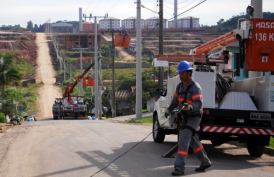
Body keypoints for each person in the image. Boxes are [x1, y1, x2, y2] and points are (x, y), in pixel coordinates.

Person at [165, 61, 211, 176]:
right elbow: (175, 101)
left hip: (194, 117)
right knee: (193, 140)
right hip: (184, 118)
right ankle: (205, 162)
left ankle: (179, 168)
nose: (180, 75)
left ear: (188, 73)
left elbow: (198, 105)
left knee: (184, 140)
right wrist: (168, 110)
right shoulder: (179, 87)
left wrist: (190, 107)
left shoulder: (195, 87)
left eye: (182, 73)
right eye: (179, 73)